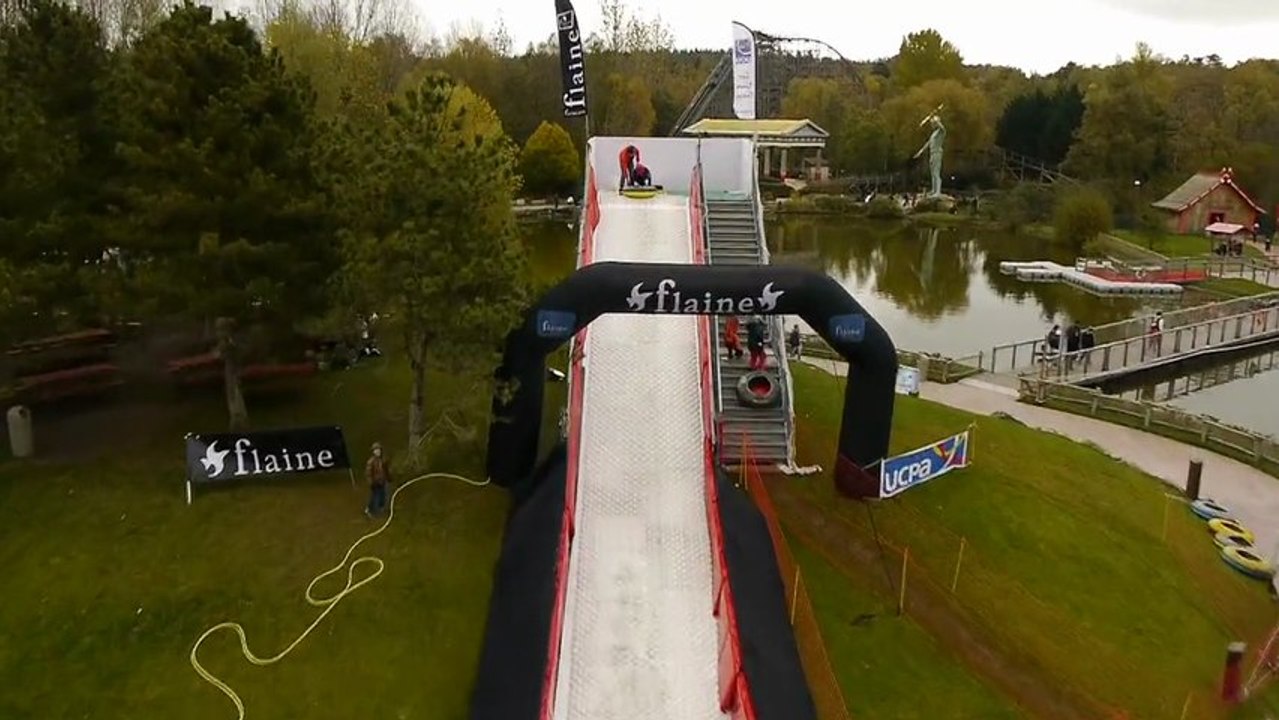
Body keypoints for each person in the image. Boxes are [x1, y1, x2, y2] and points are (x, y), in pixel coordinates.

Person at [364, 442, 392, 518]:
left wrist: (389, 477)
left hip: (382, 482)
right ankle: (370, 510)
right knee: (375, 497)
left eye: (379, 450)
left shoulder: (383, 460)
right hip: (375, 483)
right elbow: (368, 474)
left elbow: (386, 470)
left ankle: (379, 508)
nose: (378, 452)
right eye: (376, 450)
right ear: (373, 452)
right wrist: (371, 483)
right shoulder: (371, 461)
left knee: (382, 496)